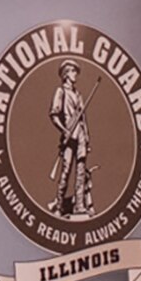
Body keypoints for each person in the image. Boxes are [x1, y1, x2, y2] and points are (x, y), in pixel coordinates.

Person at [46, 58, 93, 218]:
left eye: (75, 71)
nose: (75, 75)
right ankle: (59, 205)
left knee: (80, 172)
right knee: (65, 171)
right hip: (69, 134)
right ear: (66, 74)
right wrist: (64, 130)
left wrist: (86, 138)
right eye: (72, 71)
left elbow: (83, 118)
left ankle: (79, 205)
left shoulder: (78, 95)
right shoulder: (61, 92)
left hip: (79, 134)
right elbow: (54, 114)